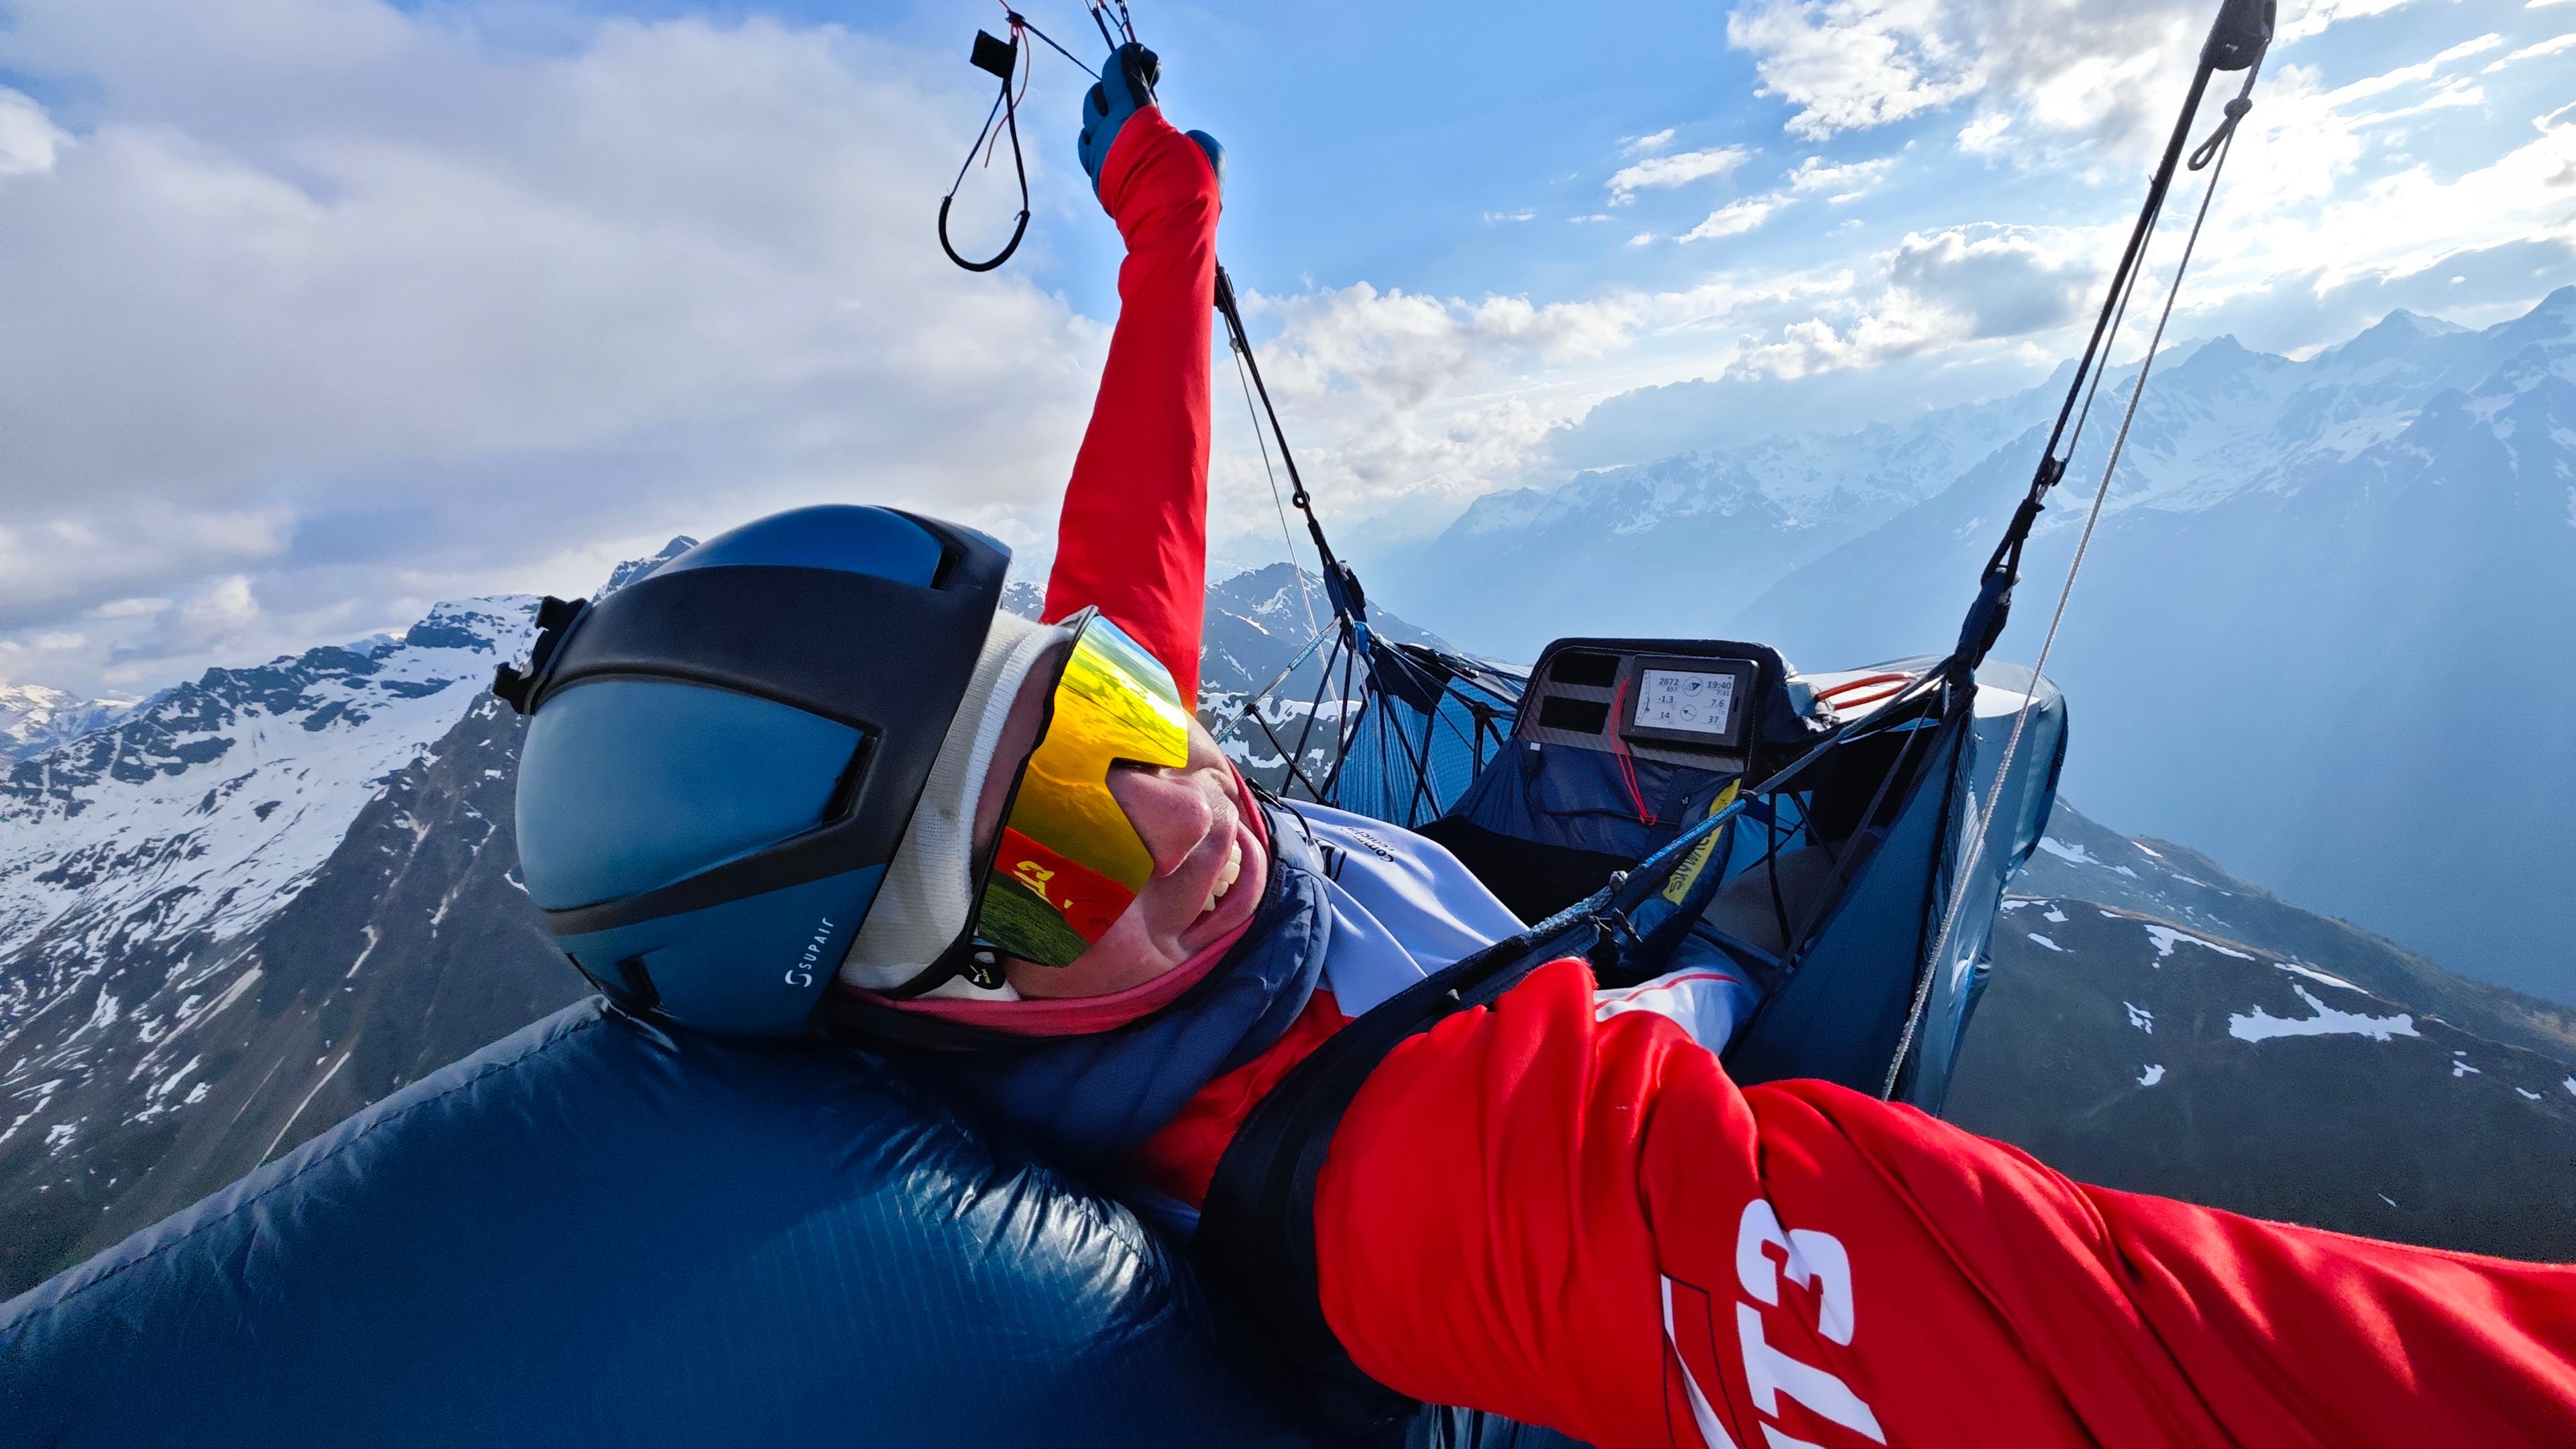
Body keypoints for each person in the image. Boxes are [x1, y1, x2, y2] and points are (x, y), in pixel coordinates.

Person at [503, 46, 2576, 1448]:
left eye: (1109, 719)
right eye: (1047, 844)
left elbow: (1131, 534)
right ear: (923, 1012)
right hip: (1619, 1015)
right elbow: (2121, 1356)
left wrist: (1164, 210)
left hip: (1514, 930)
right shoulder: (1413, 1182)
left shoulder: (1096, 848)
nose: (1173, 805)